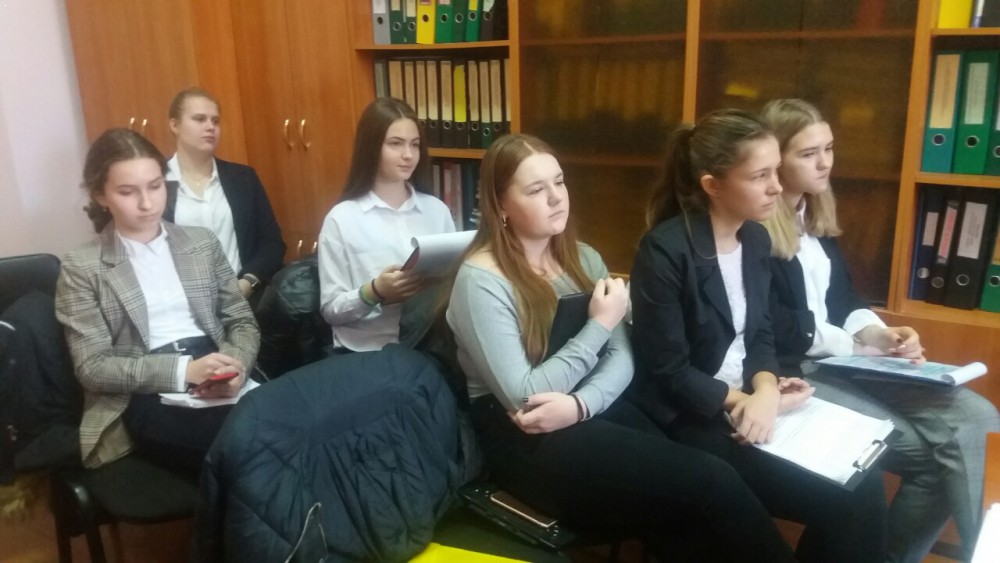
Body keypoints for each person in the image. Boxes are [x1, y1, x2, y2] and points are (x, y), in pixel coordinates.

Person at [445, 133, 795, 562]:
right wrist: (599, 324)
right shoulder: (481, 280)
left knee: (694, 502)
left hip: (591, 407)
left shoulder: (583, 258)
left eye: (559, 182)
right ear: (500, 205)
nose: (556, 198)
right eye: (536, 190)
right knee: (710, 482)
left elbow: (623, 357)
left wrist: (581, 405)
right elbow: (524, 396)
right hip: (524, 435)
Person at [629, 109, 888, 563]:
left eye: (776, 171)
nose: (776, 187)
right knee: (839, 498)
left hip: (751, 400)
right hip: (693, 413)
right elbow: (669, 371)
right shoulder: (665, 250)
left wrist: (766, 388)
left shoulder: (755, 240)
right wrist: (745, 401)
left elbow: (760, 335)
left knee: (862, 481)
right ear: (713, 185)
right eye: (760, 176)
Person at [760, 97, 1000, 562]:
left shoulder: (812, 213)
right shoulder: (756, 226)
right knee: (933, 459)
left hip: (844, 360)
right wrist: (854, 345)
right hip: (795, 370)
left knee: (980, 419)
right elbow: (775, 327)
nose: (825, 162)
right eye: (808, 154)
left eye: (828, 148)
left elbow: (844, 299)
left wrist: (878, 334)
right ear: (775, 161)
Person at [55, 128, 259, 476]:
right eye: (127, 192)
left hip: (215, 362)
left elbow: (241, 321)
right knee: (243, 447)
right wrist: (184, 372)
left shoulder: (201, 243)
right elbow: (93, 367)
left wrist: (235, 368)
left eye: (155, 186)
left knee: (285, 426)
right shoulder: (83, 266)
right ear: (100, 194)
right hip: (145, 386)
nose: (147, 203)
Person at [318, 97, 455, 352]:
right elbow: (331, 310)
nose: (408, 155)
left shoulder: (437, 211)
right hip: (367, 351)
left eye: (415, 144)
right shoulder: (342, 219)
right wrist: (374, 292)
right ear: (371, 148)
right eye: (395, 144)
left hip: (430, 343)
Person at [165, 87, 285, 304]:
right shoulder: (155, 183)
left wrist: (247, 283)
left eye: (215, 121)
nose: (210, 126)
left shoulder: (243, 178)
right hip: (181, 306)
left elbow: (272, 243)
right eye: (199, 119)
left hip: (241, 300)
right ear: (175, 125)